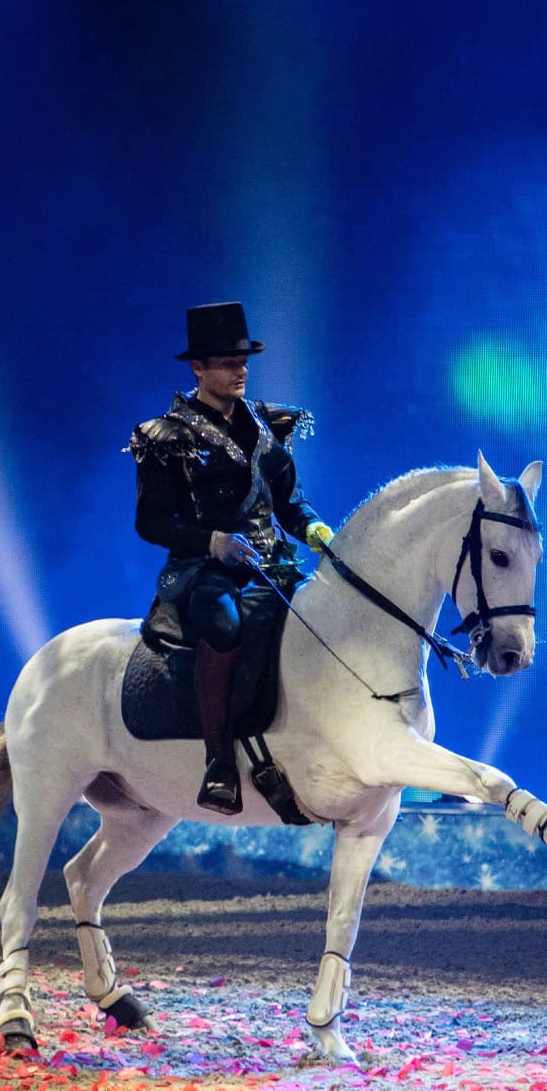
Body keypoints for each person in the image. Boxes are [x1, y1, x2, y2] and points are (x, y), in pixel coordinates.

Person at [127, 302, 333, 816]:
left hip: (273, 563)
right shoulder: (166, 436)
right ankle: (219, 760)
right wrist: (213, 542)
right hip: (205, 569)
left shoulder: (269, 425)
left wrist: (312, 526)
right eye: (226, 363)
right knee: (224, 626)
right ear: (198, 367)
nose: (239, 371)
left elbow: (289, 502)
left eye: (243, 361)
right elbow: (151, 522)